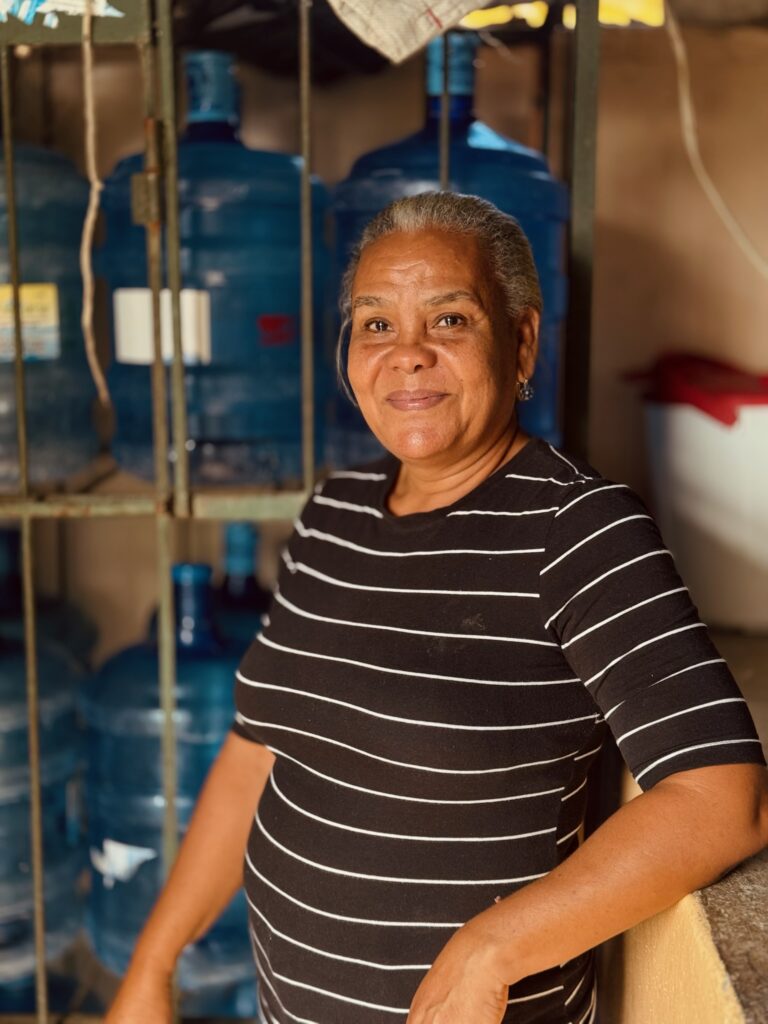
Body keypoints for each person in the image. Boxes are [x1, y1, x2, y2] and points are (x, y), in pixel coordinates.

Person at [106, 192, 768, 1024]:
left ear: (522, 341)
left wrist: (491, 950)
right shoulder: (332, 516)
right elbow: (257, 751)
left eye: (449, 320)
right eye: (376, 324)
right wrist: (152, 967)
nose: (407, 354)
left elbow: (721, 796)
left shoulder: (577, 529)